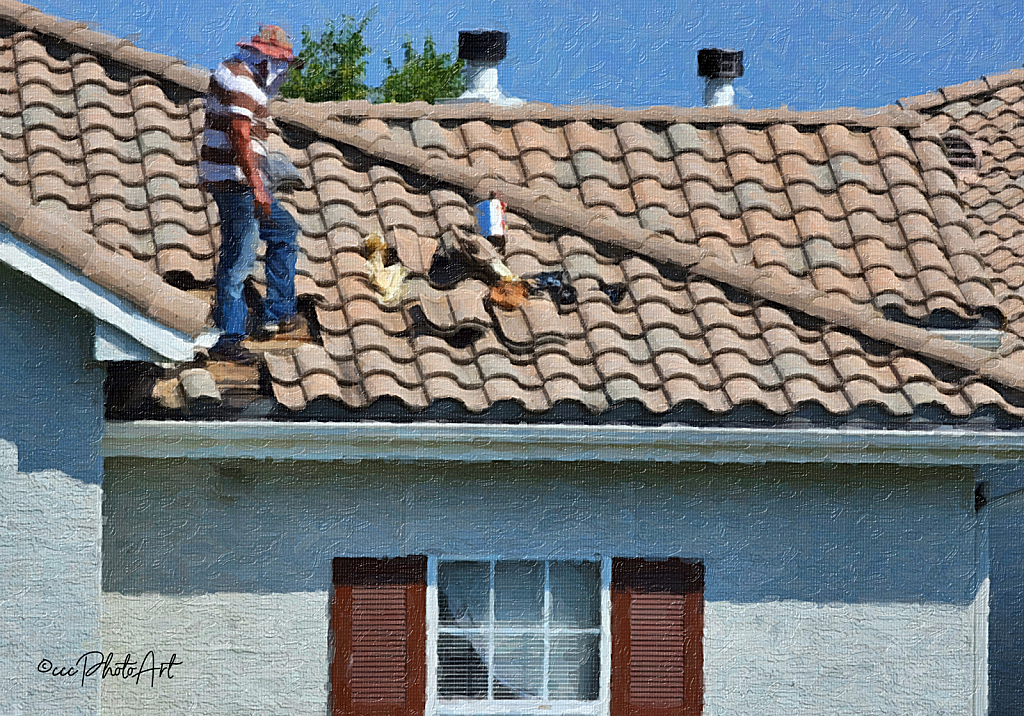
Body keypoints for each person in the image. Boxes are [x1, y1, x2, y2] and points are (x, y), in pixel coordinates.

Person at [200, 25, 302, 364]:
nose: (284, 72)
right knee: (240, 256)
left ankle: (277, 314)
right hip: (238, 183)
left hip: (241, 181)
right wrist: (258, 185)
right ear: (267, 57)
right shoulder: (241, 78)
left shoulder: (246, 78)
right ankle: (229, 337)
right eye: (282, 64)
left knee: (283, 231)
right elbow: (239, 133)